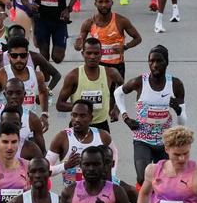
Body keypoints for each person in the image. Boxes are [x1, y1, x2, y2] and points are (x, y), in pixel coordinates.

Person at [113, 45, 186, 186]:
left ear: (167, 62)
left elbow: (182, 122)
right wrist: (125, 117)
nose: (155, 65)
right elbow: (118, 93)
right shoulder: (140, 82)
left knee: (164, 180)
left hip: (164, 141)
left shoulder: (175, 84)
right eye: (151, 61)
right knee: (142, 178)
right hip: (142, 139)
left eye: (159, 61)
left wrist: (178, 111)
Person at [0, 37, 50, 128]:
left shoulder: (37, 75)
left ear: (28, 56)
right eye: (14, 56)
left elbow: (43, 92)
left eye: (23, 55)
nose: (19, 59)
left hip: (29, 128)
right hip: (4, 128)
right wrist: (6, 111)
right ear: (8, 56)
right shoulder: (0, 75)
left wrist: (44, 113)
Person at [48, 99, 117, 189]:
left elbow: (114, 153)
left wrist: (112, 176)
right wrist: (65, 166)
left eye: (82, 116)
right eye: (74, 115)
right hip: (72, 196)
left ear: (91, 118)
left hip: (98, 193)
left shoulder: (102, 136)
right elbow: (46, 169)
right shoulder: (62, 138)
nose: (77, 119)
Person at [56, 39, 123, 131]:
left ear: (101, 54)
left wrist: (117, 108)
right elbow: (60, 105)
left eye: (96, 53)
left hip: (101, 125)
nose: (92, 56)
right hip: (78, 126)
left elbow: (123, 88)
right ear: (83, 54)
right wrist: (82, 107)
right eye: (89, 53)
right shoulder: (73, 76)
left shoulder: (111, 73)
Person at [74, 0, 141, 78]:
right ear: (95, 4)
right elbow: (79, 45)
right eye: (100, 2)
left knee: (115, 93)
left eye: (107, 1)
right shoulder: (88, 23)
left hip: (117, 67)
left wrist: (125, 47)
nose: (104, 5)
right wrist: (77, 46)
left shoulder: (121, 21)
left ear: (112, 3)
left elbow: (137, 38)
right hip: (96, 67)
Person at [0, 24, 63, 92]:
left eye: (20, 39)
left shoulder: (35, 57)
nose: (17, 42)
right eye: (14, 40)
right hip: (6, 104)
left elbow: (56, 75)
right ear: (7, 39)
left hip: (29, 104)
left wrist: (46, 91)